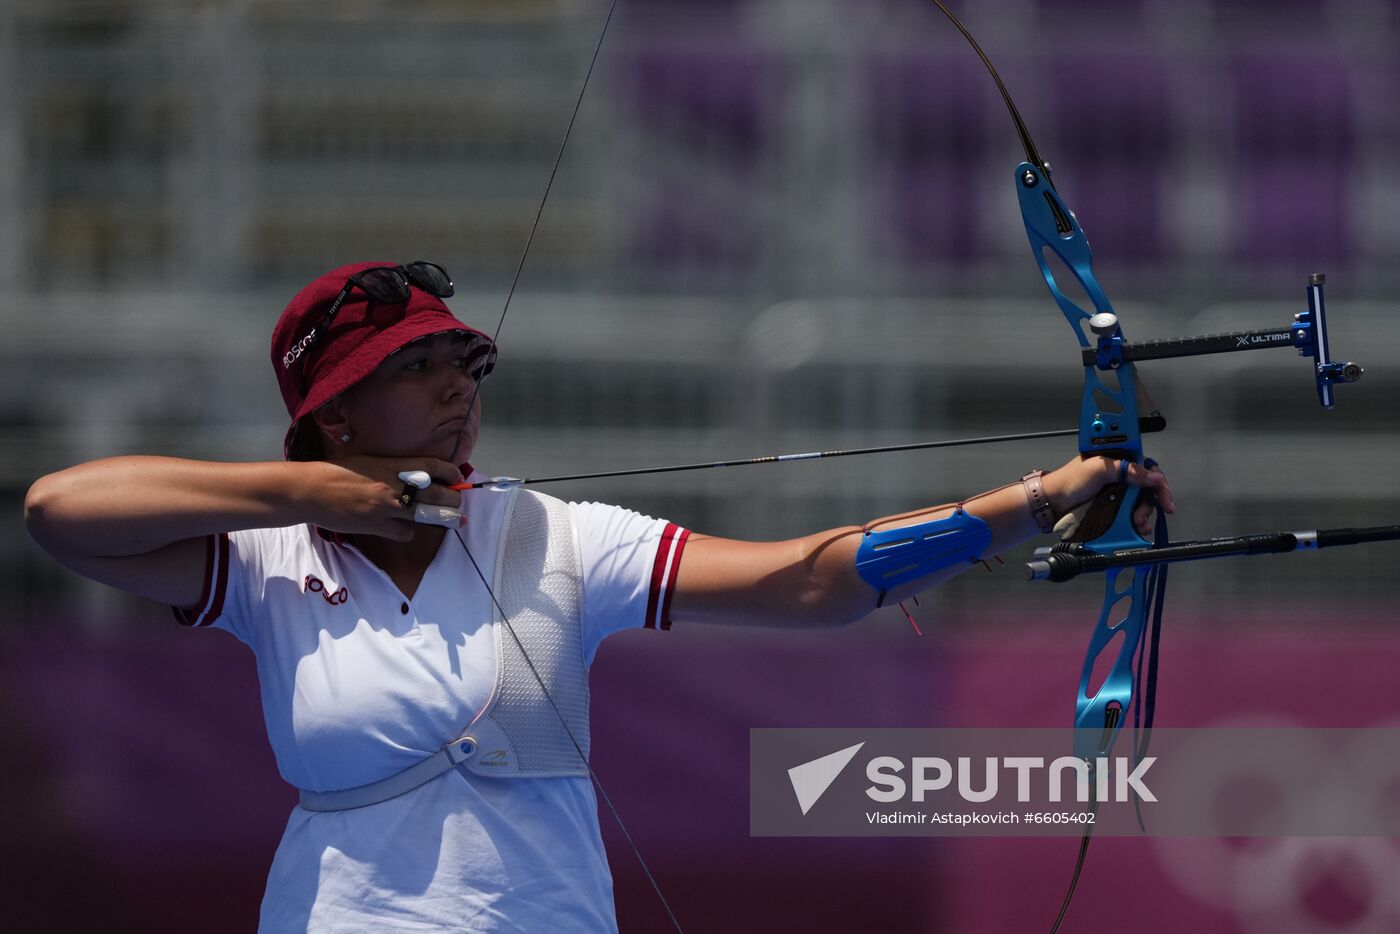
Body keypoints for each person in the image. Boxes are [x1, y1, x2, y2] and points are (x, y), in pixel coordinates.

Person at [23, 261, 1174, 932]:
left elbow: (813, 580)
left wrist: (1032, 499)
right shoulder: (268, 564)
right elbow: (59, 511)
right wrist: (310, 491)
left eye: (462, 367)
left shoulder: (553, 536)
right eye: (414, 371)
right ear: (334, 415)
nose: (455, 391)